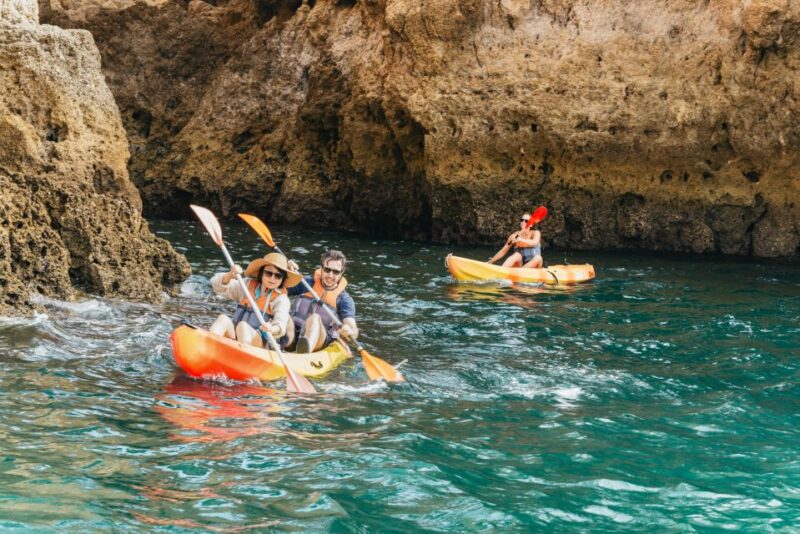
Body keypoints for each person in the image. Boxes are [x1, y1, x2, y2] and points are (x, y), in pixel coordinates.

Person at [208, 252, 302, 348]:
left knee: (243, 326)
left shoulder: (281, 299)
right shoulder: (248, 285)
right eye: (268, 273)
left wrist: (272, 329)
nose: (273, 278)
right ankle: (208, 348)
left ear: (282, 279)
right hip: (236, 335)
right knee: (223, 318)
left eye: (278, 275)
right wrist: (230, 275)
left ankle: (243, 356)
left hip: (260, 342)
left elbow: (280, 325)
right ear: (261, 273)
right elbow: (218, 287)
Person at [285, 250, 358, 353]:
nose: (330, 275)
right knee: (284, 315)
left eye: (336, 272)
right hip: (294, 332)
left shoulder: (344, 299)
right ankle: (276, 345)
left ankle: (305, 352)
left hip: (321, 340)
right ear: (321, 268)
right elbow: (277, 287)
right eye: (327, 270)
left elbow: (353, 328)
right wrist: (285, 269)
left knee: (314, 318)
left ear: (342, 273)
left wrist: (349, 330)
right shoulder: (305, 283)